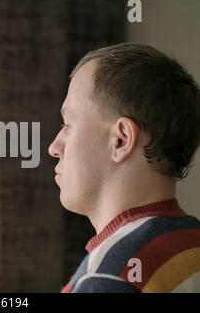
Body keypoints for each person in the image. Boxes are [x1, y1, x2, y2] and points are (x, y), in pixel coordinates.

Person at [48, 42, 200, 293]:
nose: (54, 147)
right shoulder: (192, 244)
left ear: (121, 140)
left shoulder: (110, 278)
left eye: (68, 124)